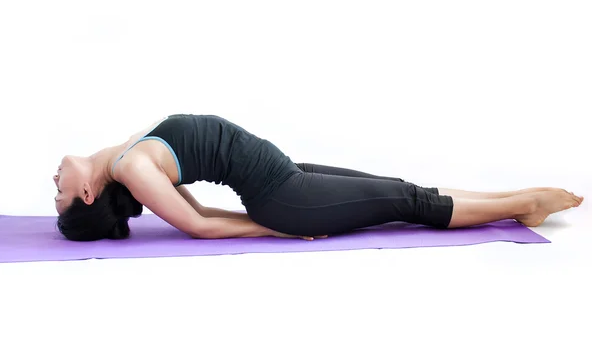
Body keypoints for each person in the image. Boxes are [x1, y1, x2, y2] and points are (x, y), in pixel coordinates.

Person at [54, 114, 584, 241]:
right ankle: (525, 203)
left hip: (286, 177)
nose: (53, 179)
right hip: (285, 197)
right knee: (407, 200)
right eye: (58, 193)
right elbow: (200, 226)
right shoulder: (130, 166)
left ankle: (512, 200)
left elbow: (199, 211)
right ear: (86, 193)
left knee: (402, 187)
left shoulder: (125, 158)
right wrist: (276, 227)